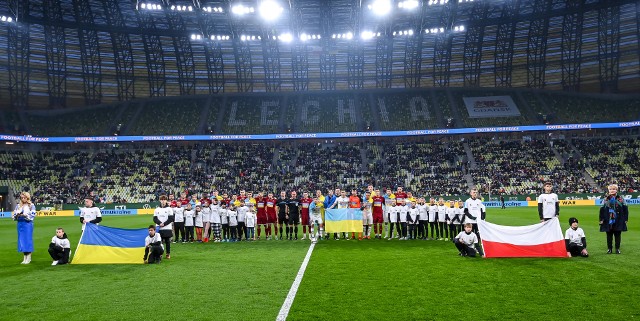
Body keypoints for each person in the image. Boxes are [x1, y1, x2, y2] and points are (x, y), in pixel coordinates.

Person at [599, 184, 629, 254]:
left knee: (618, 234)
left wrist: (625, 219)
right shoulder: (605, 199)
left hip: (618, 220)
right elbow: (601, 210)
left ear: (617, 190)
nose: (612, 190)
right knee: (609, 235)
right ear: (608, 191)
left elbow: (625, 209)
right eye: (610, 189)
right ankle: (609, 249)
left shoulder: (621, 199)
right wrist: (601, 219)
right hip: (607, 220)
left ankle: (617, 249)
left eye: (614, 189)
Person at [13, 191, 36, 264]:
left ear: (27, 197)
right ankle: (24, 257)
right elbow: (14, 216)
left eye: (24, 197)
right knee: (21, 241)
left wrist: (25, 216)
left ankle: (29, 257)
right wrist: (17, 216)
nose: (23, 199)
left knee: (27, 240)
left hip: (27, 224)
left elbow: (32, 215)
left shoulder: (31, 205)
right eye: (22, 197)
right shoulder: (18, 206)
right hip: (20, 224)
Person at [153, 195, 174, 259]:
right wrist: (159, 223)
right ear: (160, 200)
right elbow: (155, 218)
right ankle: (160, 253)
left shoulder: (169, 209)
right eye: (162, 200)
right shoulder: (157, 209)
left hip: (167, 228)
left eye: (164, 200)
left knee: (167, 241)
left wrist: (164, 224)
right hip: (159, 228)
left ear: (166, 201)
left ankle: (168, 253)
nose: (163, 201)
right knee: (159, 241)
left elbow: (171, 218)